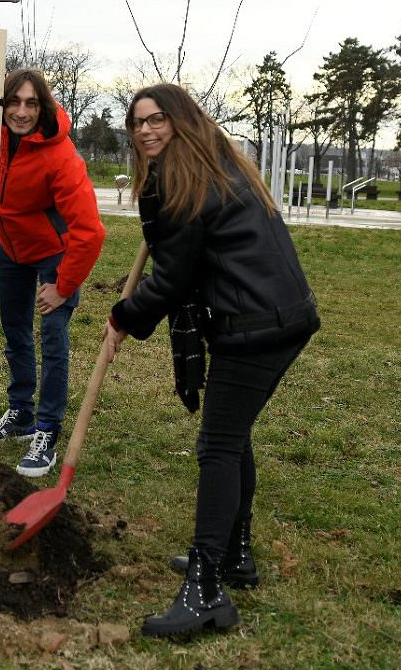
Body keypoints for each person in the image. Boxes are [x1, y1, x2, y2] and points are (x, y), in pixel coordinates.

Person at [102, 83, 320, 638]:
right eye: (137, 123)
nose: (146, 130)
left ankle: (205, 593)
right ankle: (234, 557)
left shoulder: (185, 181)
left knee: (218, 444)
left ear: (180, 121)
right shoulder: (214, 163)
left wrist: (125, 316)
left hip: (257, 324)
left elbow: (172, 280)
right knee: (233, 434)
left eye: (157, 120)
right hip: (275, 313)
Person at [0, 68, 105, 478]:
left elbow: (90, 231)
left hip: (54, 251)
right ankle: (21, 413)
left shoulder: (61, 156)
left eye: (31, 103)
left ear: (42, 105)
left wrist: (63, 286)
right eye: (14, 102)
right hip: (11, 247)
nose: (22, 112)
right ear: (1, 102)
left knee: (52, 338)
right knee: (15, 332)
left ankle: (46, 429)